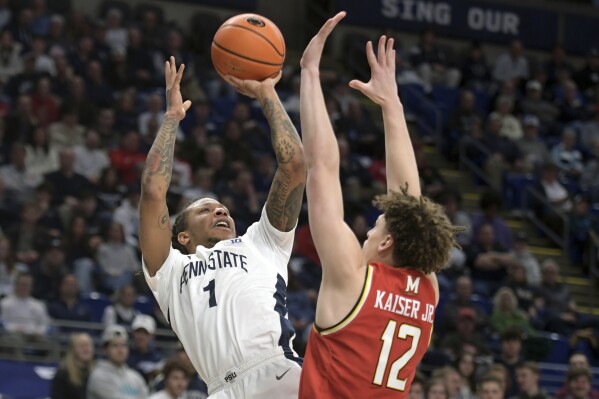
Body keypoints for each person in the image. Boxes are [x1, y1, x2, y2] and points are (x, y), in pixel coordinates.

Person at [298, 13, 460, 398]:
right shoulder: (427, 290)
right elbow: (411, 205)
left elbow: (321, 167)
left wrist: (308, 72)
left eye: (374, 228)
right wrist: (392, 105)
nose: (368, 232)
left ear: (386, 244)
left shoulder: (352, 281)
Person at [139, 56, 306, 398]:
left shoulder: (261, 242)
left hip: (278, 372)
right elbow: (153, 192)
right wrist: (171, 119)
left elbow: (295, 166)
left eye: (223, 208)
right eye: (206, 210)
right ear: (182, 235)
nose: (221, 211)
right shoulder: (170, 271)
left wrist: (266, 94)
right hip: (220, 390)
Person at [86, 325, 148, 399]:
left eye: (123, 345)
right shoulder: (98, 376)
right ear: (105, 350)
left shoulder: (135, 377)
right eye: (115, 345)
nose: (120, 350)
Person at [50, 332, 95, 399]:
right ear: (73, 349)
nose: (86, 349)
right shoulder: (62, 374)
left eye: (88, 345)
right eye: (81, 346)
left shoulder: (95, 372)